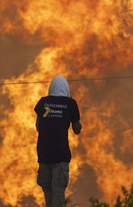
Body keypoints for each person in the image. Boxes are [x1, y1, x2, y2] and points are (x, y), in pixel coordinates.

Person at [34, 75, 82, 207]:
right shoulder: (70, 104)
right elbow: (77, 129)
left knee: (48, 191)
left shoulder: (43, 103)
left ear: (51, 88)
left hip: (44, 155)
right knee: (59, 191)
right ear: (66, 89)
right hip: (60, 156)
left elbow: (38, 126)